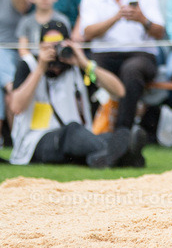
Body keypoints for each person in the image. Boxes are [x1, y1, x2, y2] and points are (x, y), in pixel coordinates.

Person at [7, 20, 145, 168]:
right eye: (49, 45)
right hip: (35, 141)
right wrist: (40, 68)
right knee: (72, 131)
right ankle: (125, 154)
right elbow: (16, 106)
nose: (55, 51)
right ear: (40, 46)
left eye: (59, 45)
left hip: (77, 141)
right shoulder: (29, 65)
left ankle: (104, 157)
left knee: (106, 135)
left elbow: (119, 91)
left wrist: (84, 63)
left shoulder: (76, 66)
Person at [78, 0, 165, 138]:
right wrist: (116, 17)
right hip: (104, 55)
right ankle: (96, 131)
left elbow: (160, 32)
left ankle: (122, 132)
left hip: (141, 54)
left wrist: (143, 20)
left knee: (132, 70)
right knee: (92, 70)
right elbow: (87, 33)